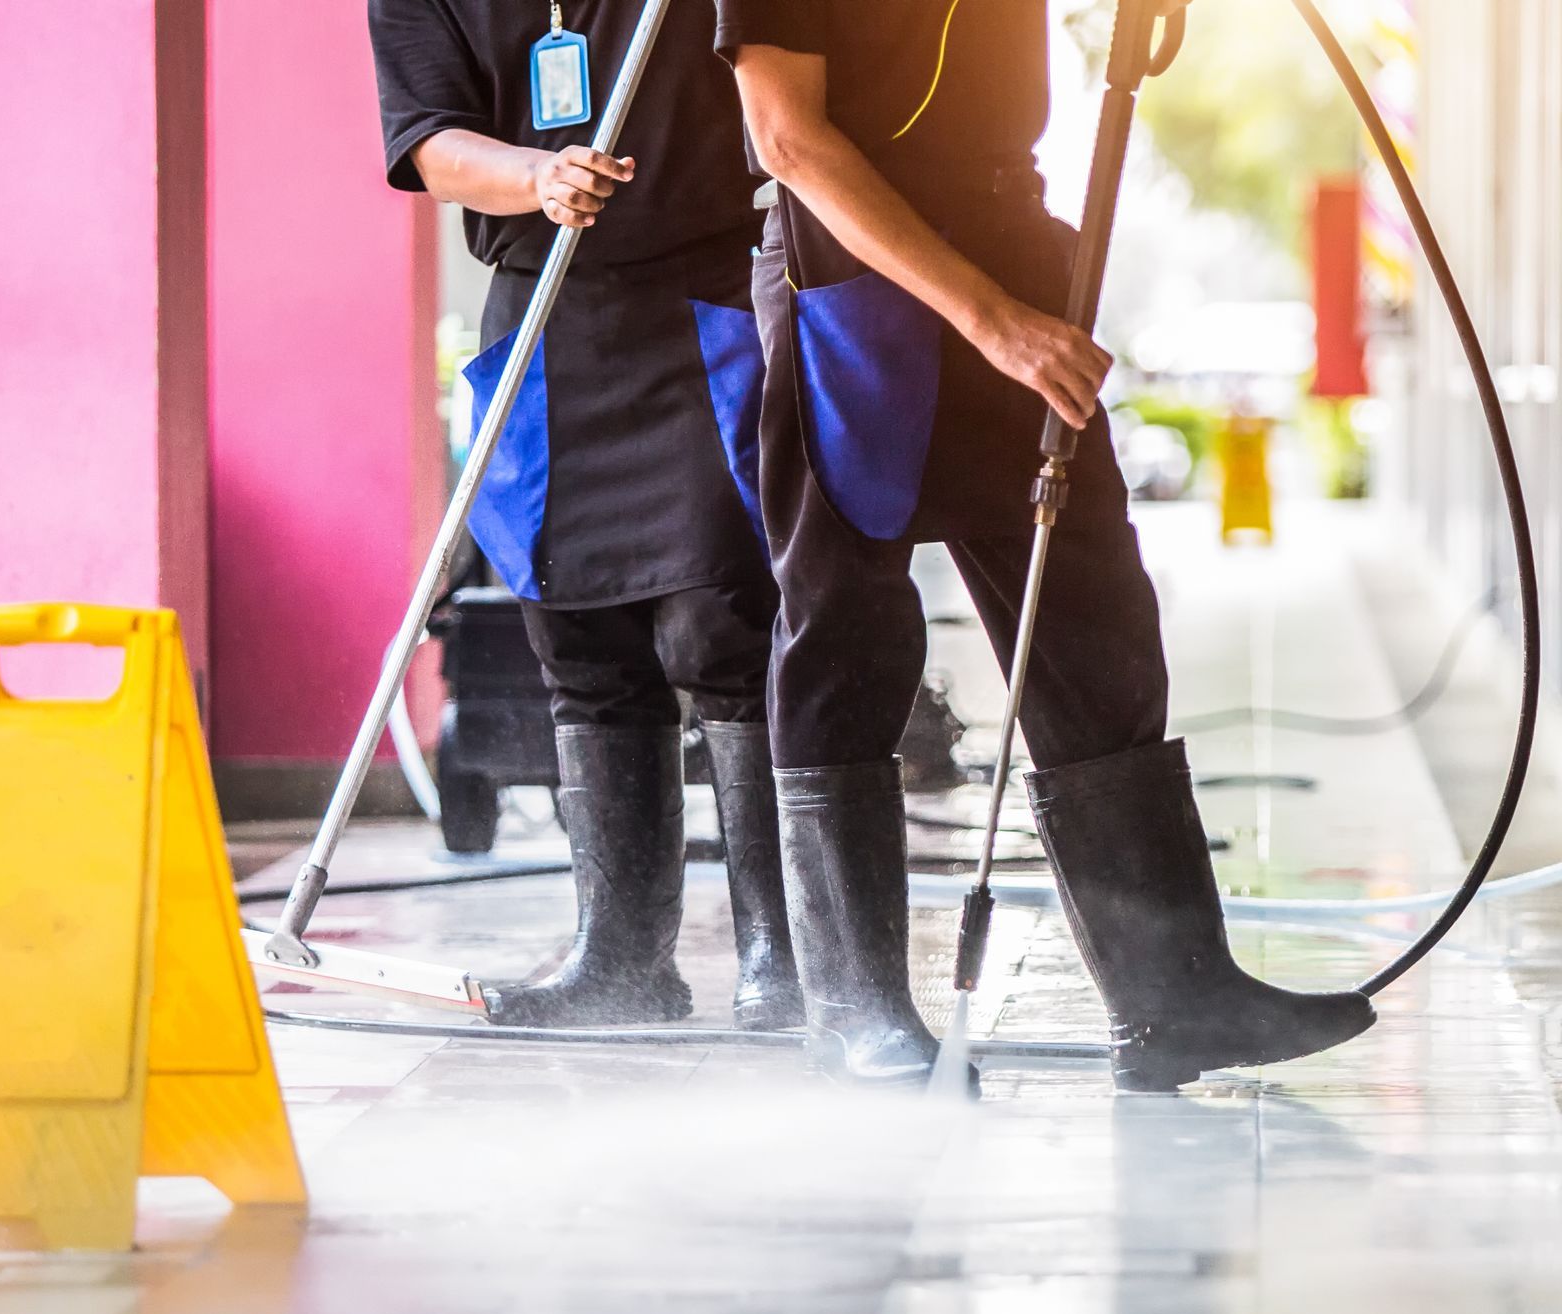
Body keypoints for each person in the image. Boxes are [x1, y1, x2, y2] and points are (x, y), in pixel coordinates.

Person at [713, 0, 1378, 1089]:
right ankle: (855, 1010)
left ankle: (1176, 994)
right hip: (853, 275)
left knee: (1094, 623)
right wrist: (991, 320)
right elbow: (787, 137)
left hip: (1011, 249)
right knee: (845, 633)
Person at [369, 0, 800, 1030]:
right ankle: (622, 960)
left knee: (723, 625)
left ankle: (783, 954)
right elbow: (427, 143)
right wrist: (536, 177)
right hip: (543, 311)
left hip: (702, 303)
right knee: (582, 642)